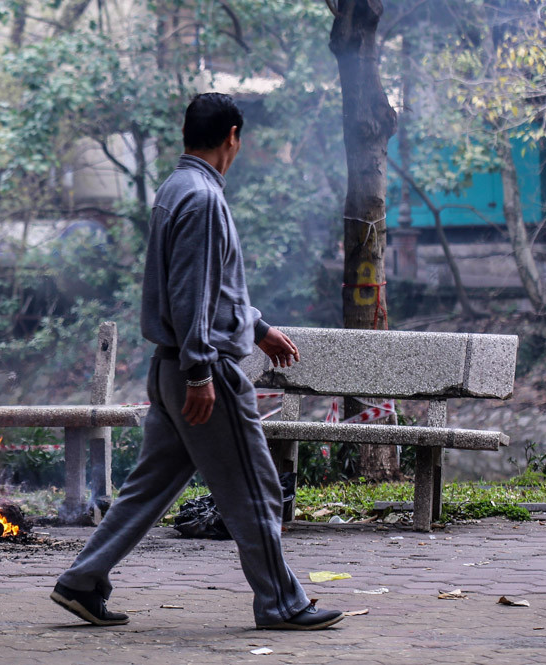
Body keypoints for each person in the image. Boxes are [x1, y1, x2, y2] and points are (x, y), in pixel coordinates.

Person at [50, 92, 344, 631]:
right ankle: (281, 603)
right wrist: (202, 372)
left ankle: (82, 581)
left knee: (147, 490)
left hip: (171, 370)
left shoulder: (175, 189)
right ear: (232, 135)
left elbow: (209, 286)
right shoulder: (203, 199)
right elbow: (191, 293)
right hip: (200, 376)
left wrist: (256, 327)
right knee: (257, 488)